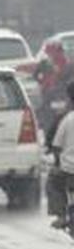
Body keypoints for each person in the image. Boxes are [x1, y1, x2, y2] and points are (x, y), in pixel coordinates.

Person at [47, 81, 74, 228]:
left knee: (52, 182)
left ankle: (61, 216)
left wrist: (57, 162)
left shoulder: (67, 119)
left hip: (69, 169)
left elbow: (56, 146)